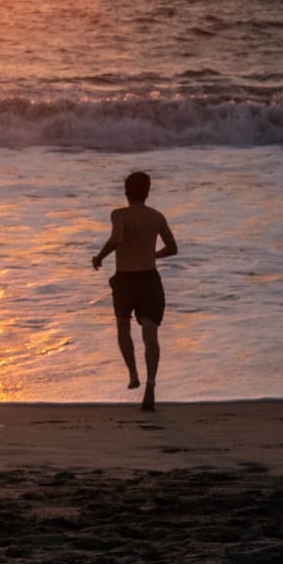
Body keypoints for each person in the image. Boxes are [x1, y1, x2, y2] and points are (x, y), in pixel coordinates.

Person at [91, 170, 177, 412]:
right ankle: (151, 384)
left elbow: (117, 238)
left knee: (123, 327)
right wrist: (153, 254)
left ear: (125, 191)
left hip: (126, 280)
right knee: (151, 336)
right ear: (148, 192)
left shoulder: (119, 214)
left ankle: (132, 374)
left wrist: (99, 257)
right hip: (149, 279)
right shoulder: (157, 216)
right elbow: (172, 248)